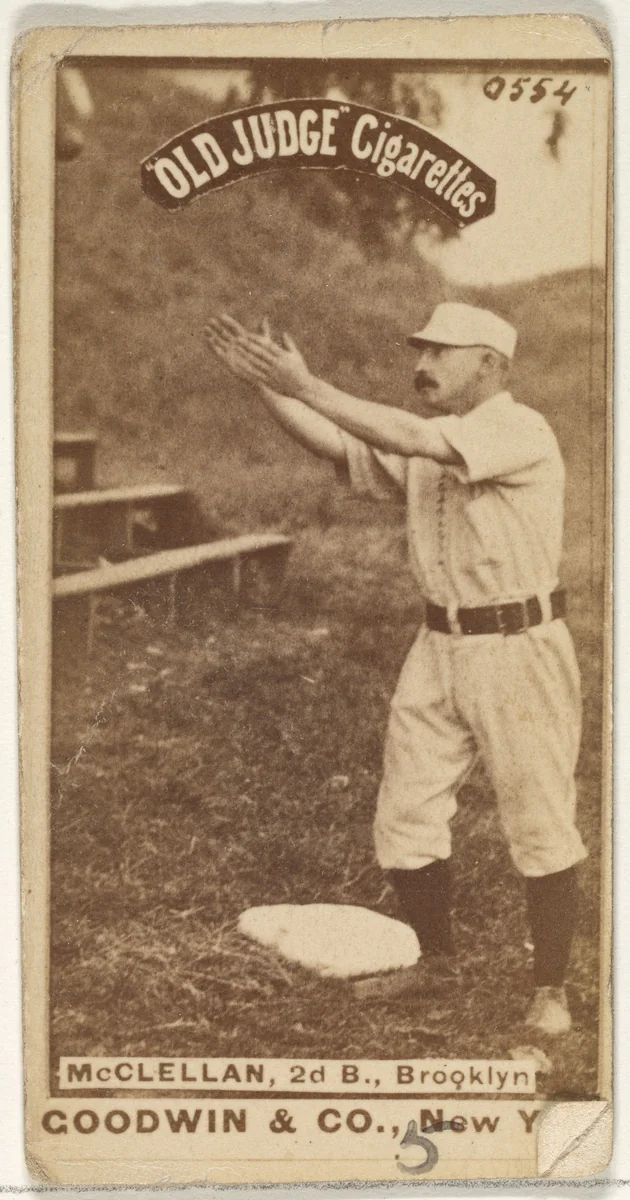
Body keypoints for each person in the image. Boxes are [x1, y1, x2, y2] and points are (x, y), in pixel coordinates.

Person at [204, 302, 586, 1036]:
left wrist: (307, 381)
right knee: (405, 815)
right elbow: (339, 445)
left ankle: (552, 988)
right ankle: (437, 964)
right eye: (421, 349)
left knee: (539, 818)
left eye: (443, 351)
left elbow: (410, 434)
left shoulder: (519, 427)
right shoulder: (425, 439)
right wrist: (269, 384)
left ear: (491, 366)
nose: (424, 363)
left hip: (519, 643)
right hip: (438, 642)